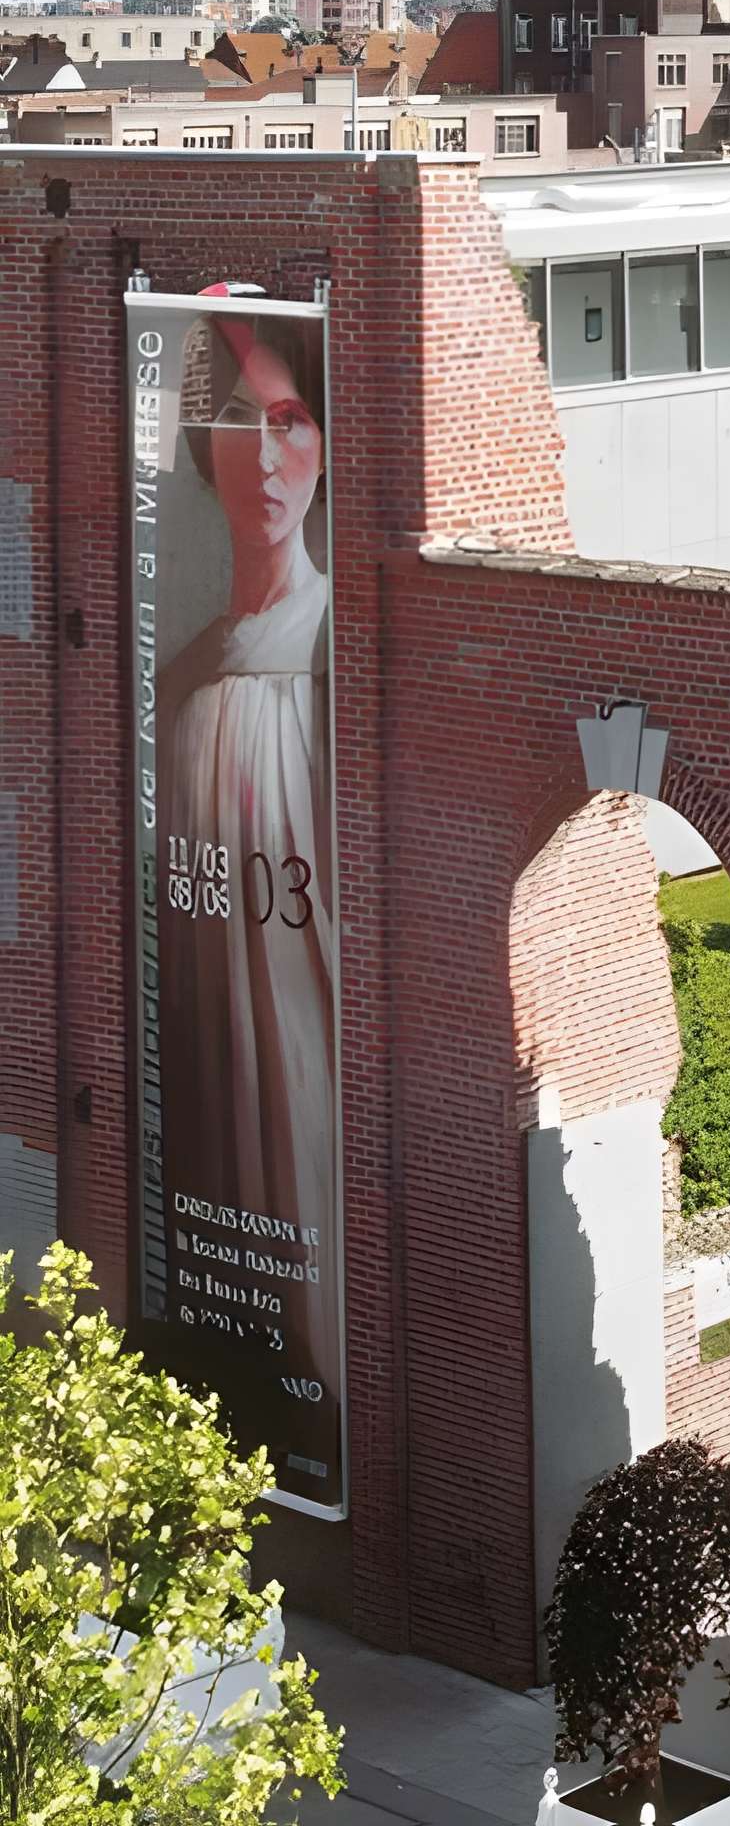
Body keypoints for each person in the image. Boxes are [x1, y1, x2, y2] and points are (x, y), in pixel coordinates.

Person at [154, 301, 340, 1444]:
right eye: (236, 419)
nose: (265, 455)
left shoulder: (335, 664)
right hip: (203, 1089)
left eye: (289, 417)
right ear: (199, 445)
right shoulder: (178, 682)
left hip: (317, 1079)